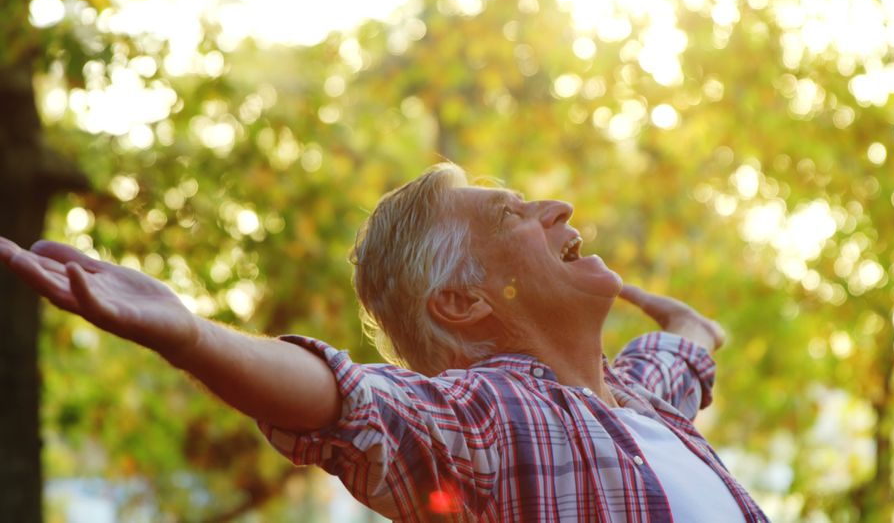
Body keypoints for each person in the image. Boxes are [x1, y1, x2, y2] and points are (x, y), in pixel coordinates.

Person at [0, 163, 768, 522]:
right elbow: (346, 405)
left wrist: (689, 325)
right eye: (512, 214)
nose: (559, 205)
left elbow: (688, 352)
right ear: (463, 302)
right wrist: (192, 337)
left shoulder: (638, 396)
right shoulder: (493, 421)